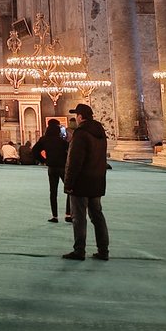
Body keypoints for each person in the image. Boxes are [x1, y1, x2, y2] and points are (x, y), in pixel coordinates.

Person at [62, 103, 110, 261]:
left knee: (79, 217)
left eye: (76, 116)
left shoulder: (80, 133)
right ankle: (103, 251)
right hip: (97, 180)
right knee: (97, 216)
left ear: (80, 116)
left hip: (81, 182)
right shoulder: (100, 132)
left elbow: (74, 161)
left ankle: (79, 251)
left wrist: (68, 183)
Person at [34, 118, 70, 222]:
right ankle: (68, 214)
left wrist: (44, 160)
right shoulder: (62, 141)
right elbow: (70, 152)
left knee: (53, 192)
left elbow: (35, 151)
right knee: (69, 190)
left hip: (52, 167)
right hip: (63, 167)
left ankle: (55, 216)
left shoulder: (44, 140)